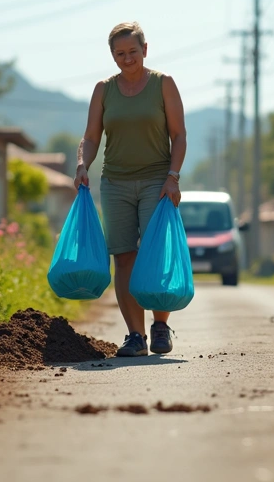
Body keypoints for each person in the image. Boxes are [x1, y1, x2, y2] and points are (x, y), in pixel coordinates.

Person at [74, 21, 187, 358]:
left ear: (145, 50)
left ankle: (160, 325)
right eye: (120, 53)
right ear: (112, 55)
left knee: (154, 253)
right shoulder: (103, 90)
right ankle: (136, 336)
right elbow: (91, 137)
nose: (127, 59)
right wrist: (82, 164)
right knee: (124, 257)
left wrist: (173, 177)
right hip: (115, 183)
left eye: (133, 51)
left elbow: (179, 135)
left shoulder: (163, 84)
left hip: (157, 182)